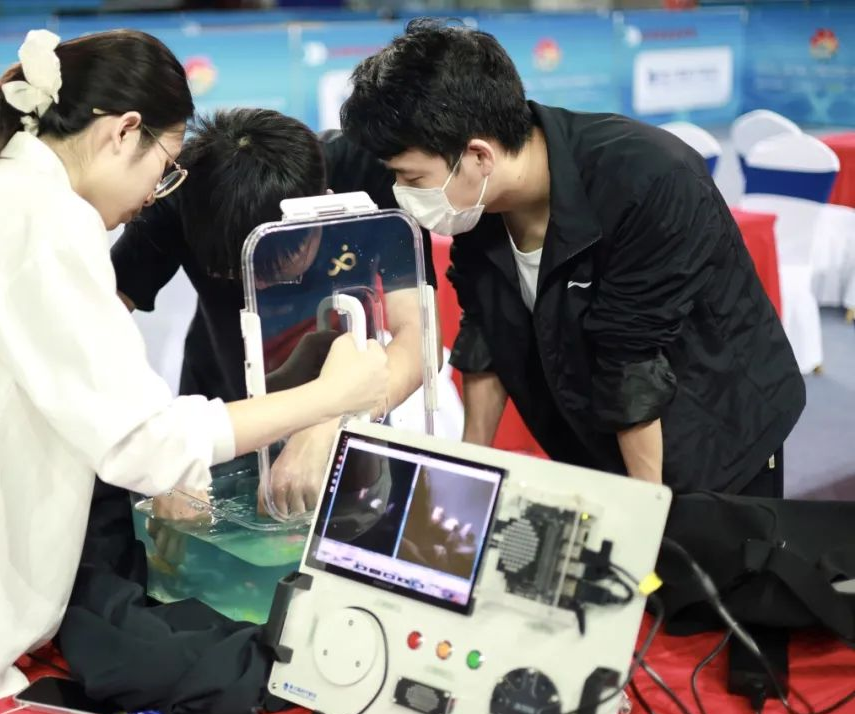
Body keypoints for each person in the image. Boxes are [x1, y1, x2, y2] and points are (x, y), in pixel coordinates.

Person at [0, 29, 388, 714]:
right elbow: (144, 441)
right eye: (165, 167)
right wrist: (328, 398)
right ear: (124, 132)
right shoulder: (42, 221)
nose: (157, 194)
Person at [339, 19, 805, 497]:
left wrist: (643, 511)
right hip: (595, 433)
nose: (403, 193)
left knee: (701, 539)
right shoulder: (478, 206)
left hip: (714, 427)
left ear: (479, 156)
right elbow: (485, 333)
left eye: (412, 179)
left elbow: (630, 363)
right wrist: (467, 469)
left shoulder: (650, 181)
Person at [112, 108, 438, 516]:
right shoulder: (181, 194)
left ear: (323, 206)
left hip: (354, 411)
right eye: (236, 275)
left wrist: (330, 420)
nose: (261, 286)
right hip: (229, 413)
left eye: (280, 268)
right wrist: (169, 451)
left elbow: (418, 336)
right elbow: (96, 330)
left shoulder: (366, 175)